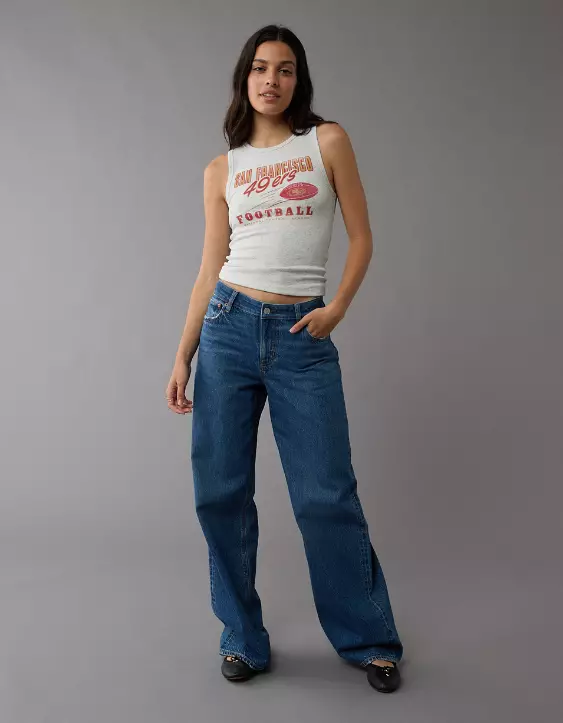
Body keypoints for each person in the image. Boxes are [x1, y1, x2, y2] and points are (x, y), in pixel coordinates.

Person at [166, 24, 404, 693]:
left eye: (286, 69)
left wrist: (337, 309)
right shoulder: (222, 170)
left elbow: (362, 237)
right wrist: (183, 354)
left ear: (299, 81)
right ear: (244, 78)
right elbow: (209, 267)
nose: (271, 80)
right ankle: (242, 638)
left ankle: (369, 639)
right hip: (227, 328)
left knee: (325, 495)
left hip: (303, 335)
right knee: (219, 493)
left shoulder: (325, 141)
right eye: (261, 68)